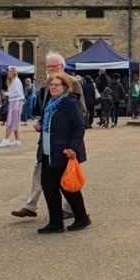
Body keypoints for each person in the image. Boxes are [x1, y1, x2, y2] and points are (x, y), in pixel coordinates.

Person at [13, 53, 74, 220]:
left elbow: (79, 112)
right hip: (46, 138)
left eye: (52, 67)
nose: (49, 70)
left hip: (62, 141)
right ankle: (30, 206)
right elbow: (46, 109)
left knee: (64, 174)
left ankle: (72, 208)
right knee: (39, 170)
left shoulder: (72, 83)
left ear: (61, 67)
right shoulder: (48, 85)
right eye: (47, 67)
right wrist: (41, 122)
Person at [36, 72, 91, 234]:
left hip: (63, 150)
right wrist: (40, 125)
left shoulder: (69, 103)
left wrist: (74, 148)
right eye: (51, 85)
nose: (53, 88)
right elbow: (49, 123)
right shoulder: (51, 103)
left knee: (67, 186)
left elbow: (79, 127)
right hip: (47, 149)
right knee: (48, 186)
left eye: (56, 85)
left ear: (65, 87)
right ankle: (56, 221)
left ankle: (81, 218)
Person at [1, 66, 25, 146]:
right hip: (13, 101)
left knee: (12, 120)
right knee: (14, 120)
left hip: (17, 102)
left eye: (11, 71)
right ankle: (17, 140)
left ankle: (6, 139)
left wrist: (6, 93)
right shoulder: (12, 81)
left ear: (14, 72)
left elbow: (18, 93)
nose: (9, 72)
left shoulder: (16, 81)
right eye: (8, 71)